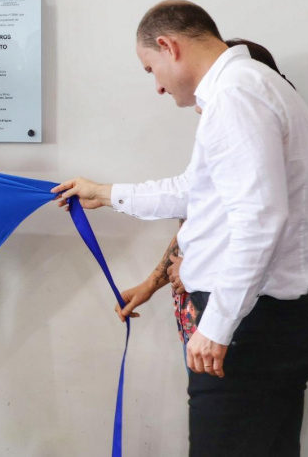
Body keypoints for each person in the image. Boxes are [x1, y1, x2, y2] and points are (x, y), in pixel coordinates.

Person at [53, 0, 308, 456]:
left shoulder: (235, 95)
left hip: (250, 328)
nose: (157, 87)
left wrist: (219, 325)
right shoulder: (257, 86)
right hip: (272, 321)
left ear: (168, 46)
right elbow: (198, 191)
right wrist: (105, 193)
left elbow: (260, 218)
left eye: (150, 69)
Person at [114, 39, 295, 352]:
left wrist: (199, 267)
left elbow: (262, 233)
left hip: (236, 325)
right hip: (203, 321)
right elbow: (193, 216)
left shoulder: (267, 150)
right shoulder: (224, 139)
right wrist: (151, 284)